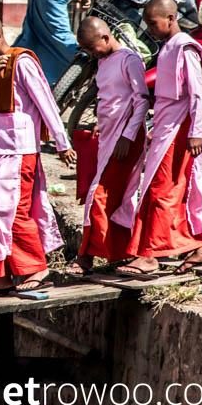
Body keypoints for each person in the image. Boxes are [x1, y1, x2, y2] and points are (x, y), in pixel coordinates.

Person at [0, 14, 76, 298]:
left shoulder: (23, 63)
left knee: (13, 211)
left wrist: (62, 142)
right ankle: (1, 275)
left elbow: (46, 103)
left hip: (18, 149)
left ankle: (35, 268)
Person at [118, 0, 202, 276]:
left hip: (180, 130)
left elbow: (197, 94)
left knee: (163, 190)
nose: (149, 28)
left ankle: (150, 255)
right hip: (164, 128)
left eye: (153, 22)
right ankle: (198, 247)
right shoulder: (167, 48)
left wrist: (196, 132)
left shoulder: (185, 48)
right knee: (159, 190)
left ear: (170, 18)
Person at [66, 18, 149, 275]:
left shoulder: (129, 60)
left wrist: (127, 135)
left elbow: (142, 101)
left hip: (126, 139)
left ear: (104, 37)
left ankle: (87, 256)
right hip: (108, 137)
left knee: (100, 195)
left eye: (93, 48)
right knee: (109, 196)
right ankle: (119, 253)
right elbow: (108, 101)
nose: (92, 54)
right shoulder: (102, 63)